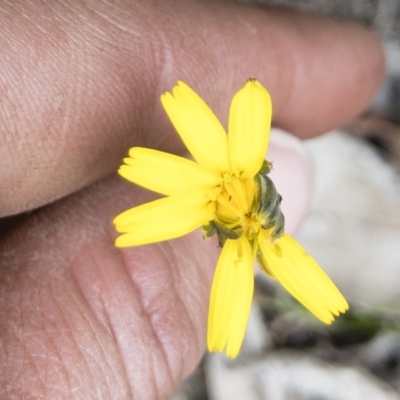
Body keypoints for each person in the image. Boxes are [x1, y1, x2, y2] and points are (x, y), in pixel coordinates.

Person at [0, 1, 384, 398]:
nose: (250, 214)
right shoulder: (239, 204)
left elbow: (247, 101)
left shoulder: (241, 199)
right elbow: (244, 101)